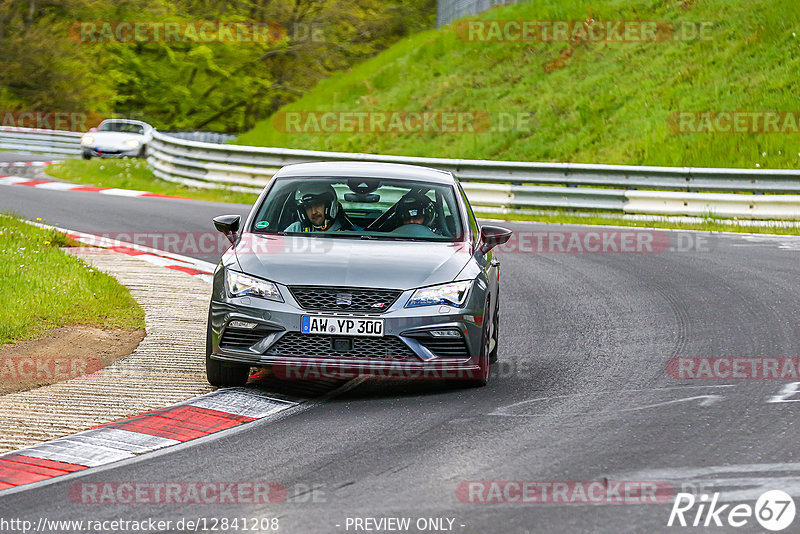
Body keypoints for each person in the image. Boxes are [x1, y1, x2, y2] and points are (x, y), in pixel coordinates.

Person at [285, 181, 354, 232]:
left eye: (317, 205)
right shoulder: (295, 230)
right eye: (308, 207)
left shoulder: (349, 234)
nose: (313, 212)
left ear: (330, 206)